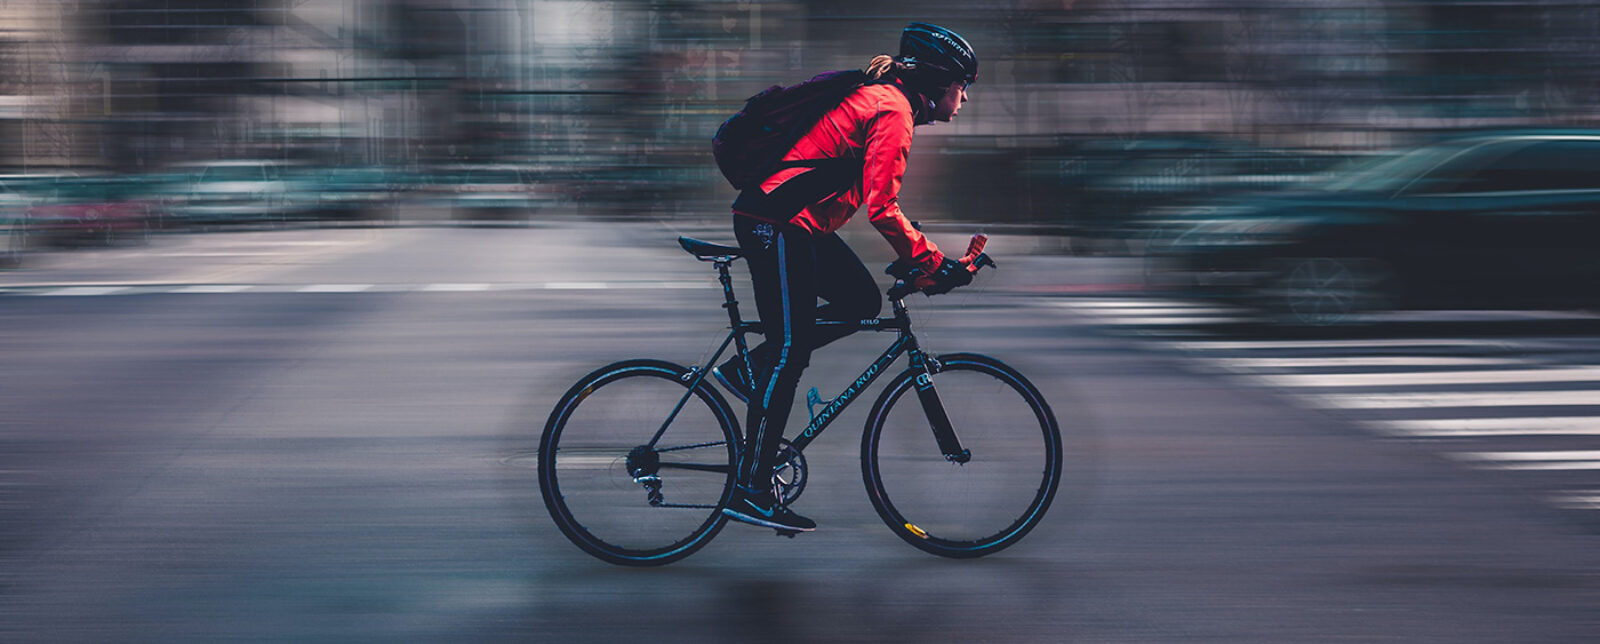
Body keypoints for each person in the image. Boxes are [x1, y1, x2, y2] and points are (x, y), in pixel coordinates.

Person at [716, 22, 978, 532]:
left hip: (795, 223)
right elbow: (882, 207)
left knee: (861, 301)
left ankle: (751, 369)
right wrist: (930, 261)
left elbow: (874, 200)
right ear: (940, 81)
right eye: (963, 84)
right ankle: (750, 488)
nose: (965, 96)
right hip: (776, 221)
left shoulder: (888, 103)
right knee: (790, 353)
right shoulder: (893, 109)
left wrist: (922, 259)